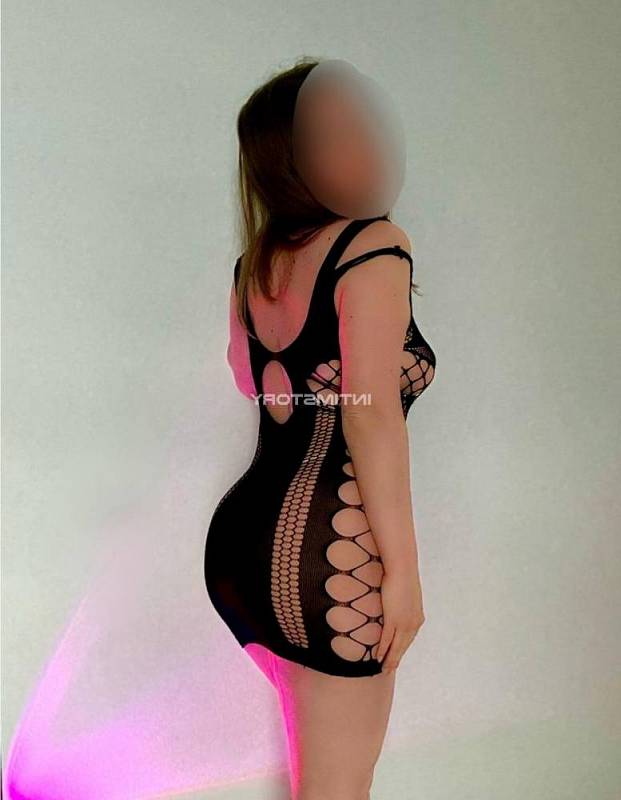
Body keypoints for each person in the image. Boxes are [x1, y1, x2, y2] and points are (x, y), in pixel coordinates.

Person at [204, 59, 436, 800]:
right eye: (339, 133)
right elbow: (368, 412)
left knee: (318, 781)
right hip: (332, 557)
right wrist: (403, 575)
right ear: (293, 159)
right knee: (337, 791)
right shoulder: (374, 243)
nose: (367, 146)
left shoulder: (255, 264)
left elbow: (249, 379)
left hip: (241, 546)